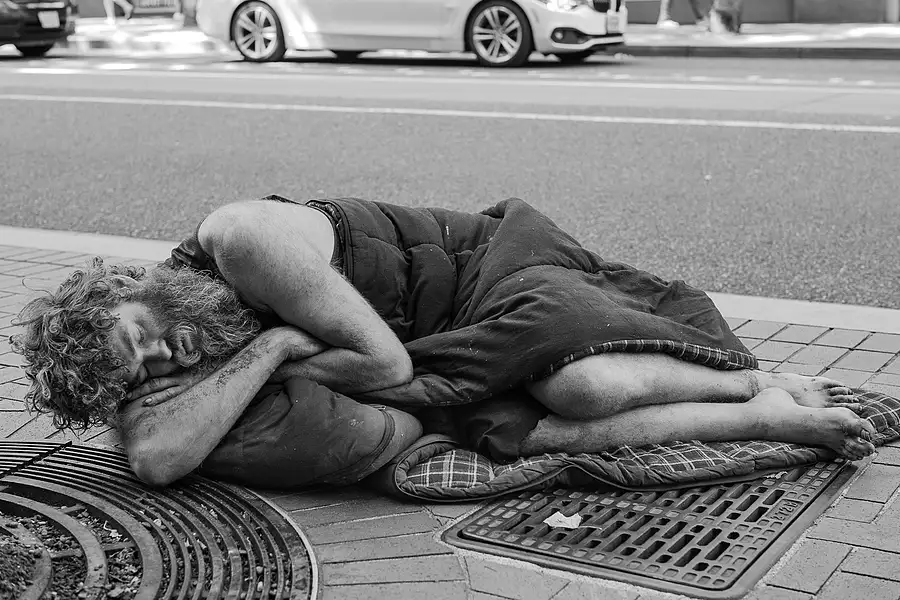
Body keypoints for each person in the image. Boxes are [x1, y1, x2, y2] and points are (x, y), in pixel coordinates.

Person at [11, 195, 875, 489]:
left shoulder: (241, 241)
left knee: (581, 388)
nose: (168, 359)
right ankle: (772, 420)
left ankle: (750, 380)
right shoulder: (222, 337)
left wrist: (271, 352)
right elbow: (159, 459)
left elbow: (383, 363)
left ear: (127, 289)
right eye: (143, 375)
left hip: (487, 271)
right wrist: (270, 350)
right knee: (519, 430)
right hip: (444, 338)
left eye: (141, 338)